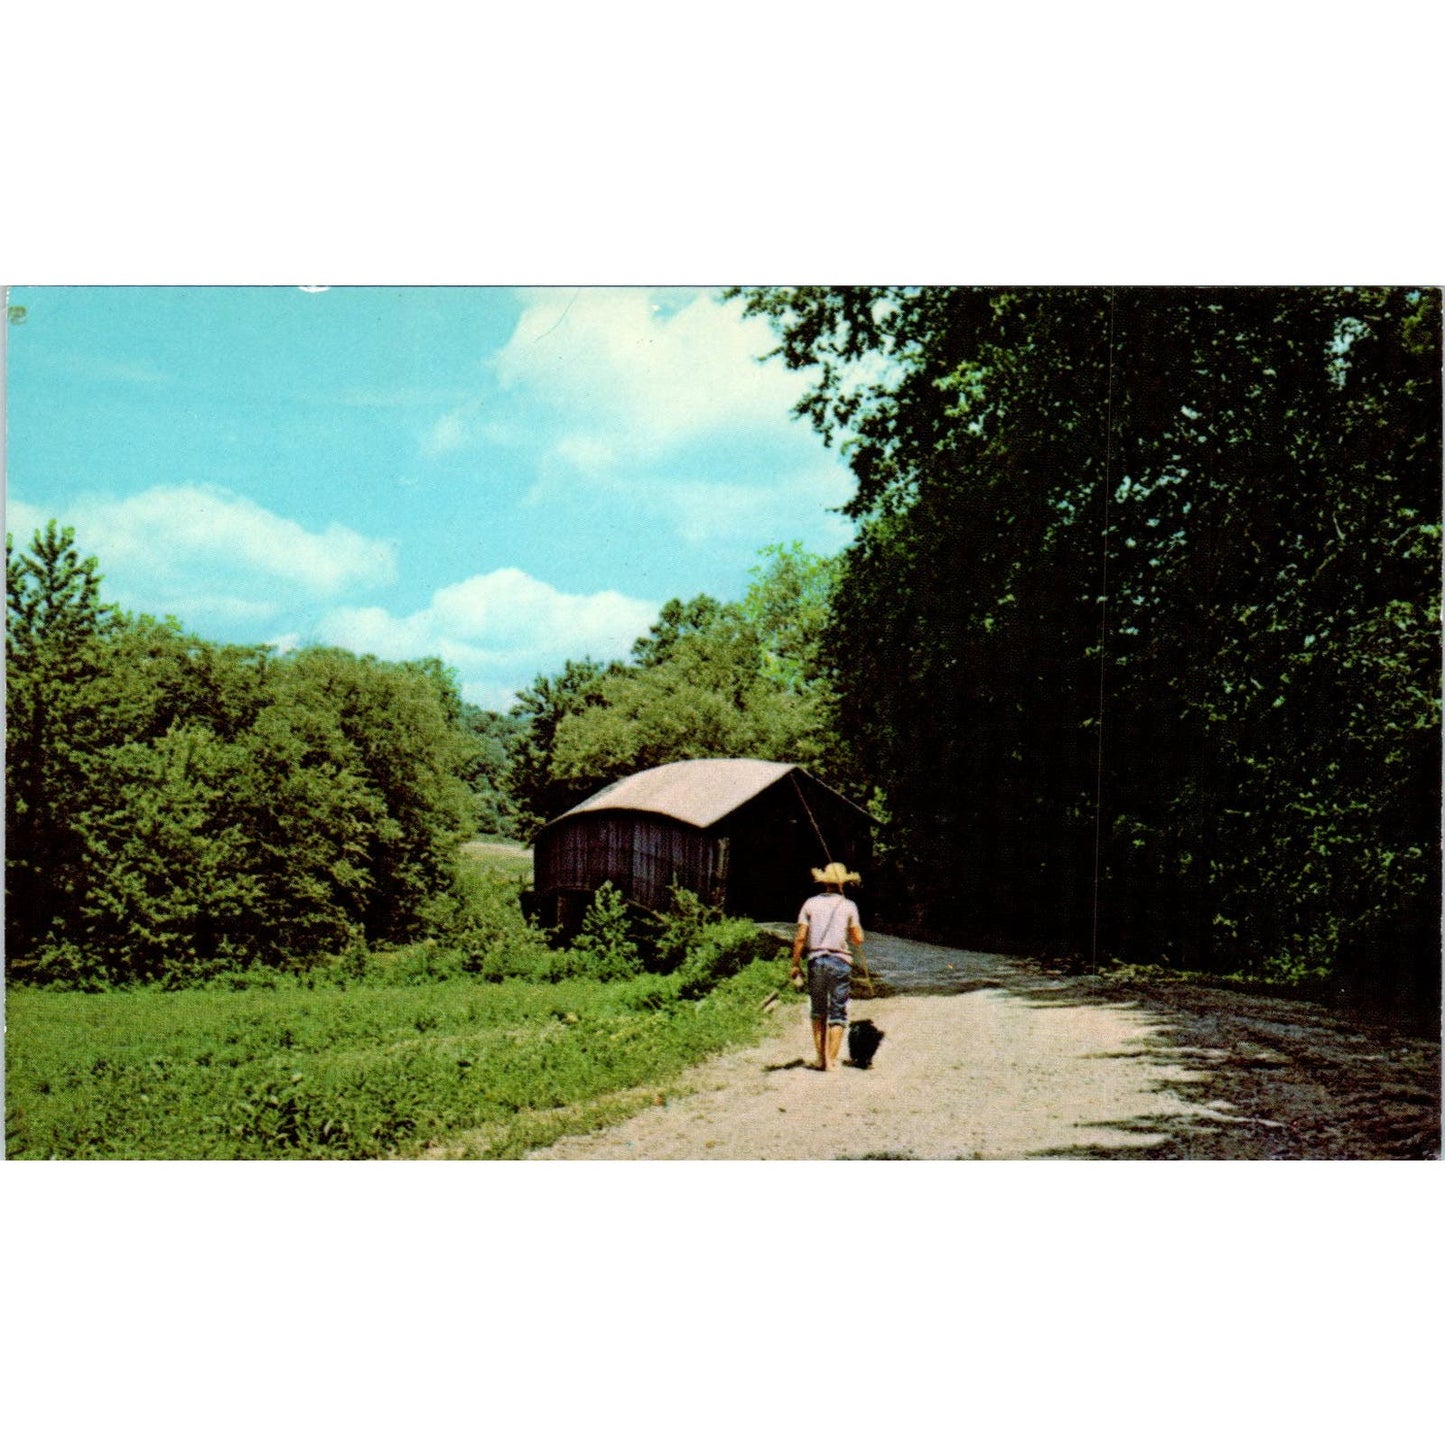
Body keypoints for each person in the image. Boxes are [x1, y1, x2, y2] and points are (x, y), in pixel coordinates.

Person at [790, 862, 865, 1071]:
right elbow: (858, 939)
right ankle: (831, 1061)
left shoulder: (810, 904)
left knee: (818, 1011)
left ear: (824, 883)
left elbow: (800, 938)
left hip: (816, 962)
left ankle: (820, 1059)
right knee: (838, 1012)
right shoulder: (849, 905)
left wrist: (795, 964)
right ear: (843, 884)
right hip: (841, 962)